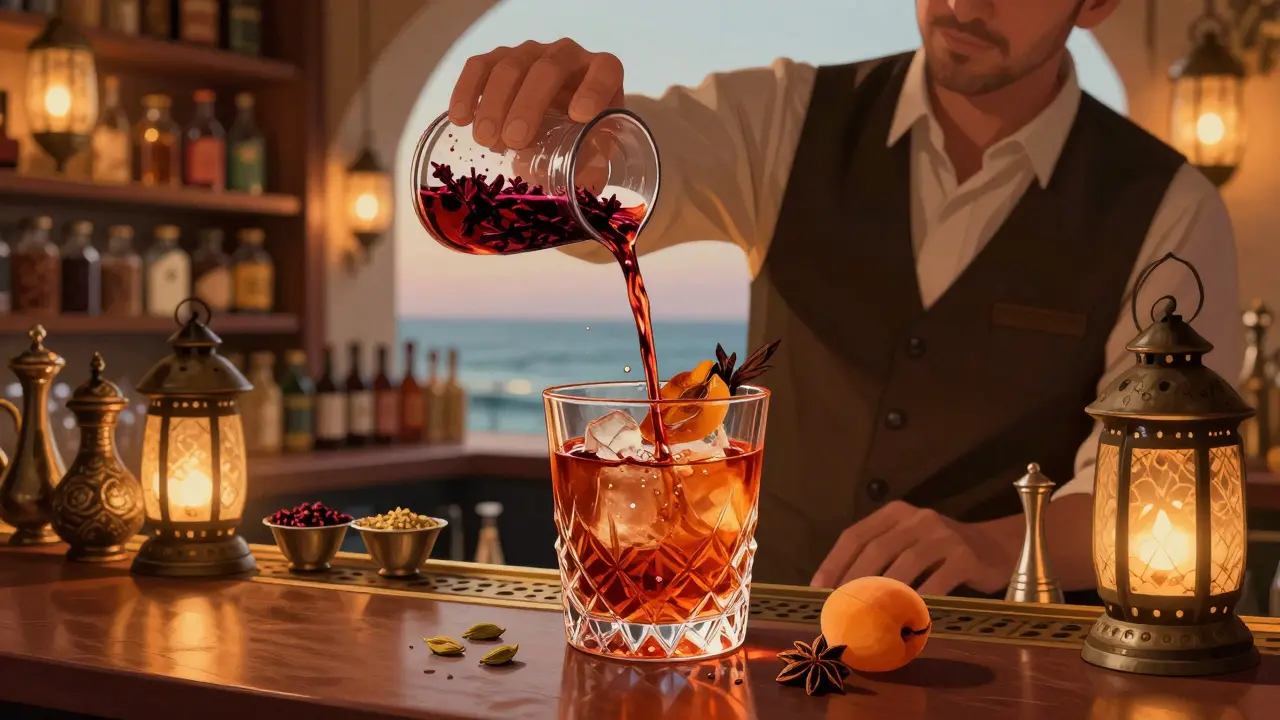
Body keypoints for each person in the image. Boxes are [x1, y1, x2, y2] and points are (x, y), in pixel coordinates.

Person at [446, 0, 1242, 596]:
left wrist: (999, 545)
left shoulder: (1167, 208)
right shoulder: (788, 117)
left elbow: (1165, 499)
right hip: (772, 633)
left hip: (1002, 660)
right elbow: (634, 175)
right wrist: (567, 135)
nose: (964, 3)